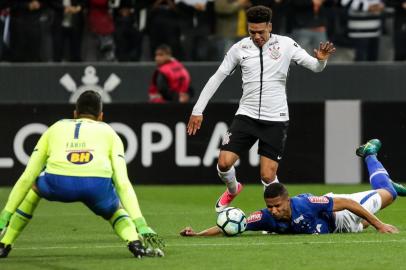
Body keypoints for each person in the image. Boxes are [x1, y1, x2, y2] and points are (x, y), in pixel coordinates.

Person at [186, 5, 335, 213]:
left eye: (261, 32)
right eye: (252, 32)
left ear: (270, 27)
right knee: (223, 163)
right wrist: (197, 110)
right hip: (246, 116)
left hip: (275, 119)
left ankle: (283, 214)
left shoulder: (286, 44)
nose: (256, 36)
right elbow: (216, 78)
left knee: (267, 175)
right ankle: (233, 188)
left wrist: (322, 60)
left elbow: (315, 67)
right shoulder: (239, 49)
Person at [0, 91, 164, 258]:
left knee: (34, 186)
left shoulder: (55, 128)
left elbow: (27, 177)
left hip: (57, 183)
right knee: (115, 209)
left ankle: (4, 243)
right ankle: (134, 243)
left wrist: (4, 216)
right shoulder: (110, 133)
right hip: (96, 186)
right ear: (101, 116)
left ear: (75, 114)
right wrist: (141, 223)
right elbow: (122, 182)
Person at [181, 139, 406, 236]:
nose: (274, 211)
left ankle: (369, 153)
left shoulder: (305, 204)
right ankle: (383, 186)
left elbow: (346, 203)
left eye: (277, 206)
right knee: (372, 211)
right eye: (270, 207)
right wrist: (198, 235)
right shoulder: (266, 217)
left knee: (390, 194)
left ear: (287, 200)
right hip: (342, 229)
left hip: (343, 216)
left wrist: (380, 226)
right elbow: (231, 226)